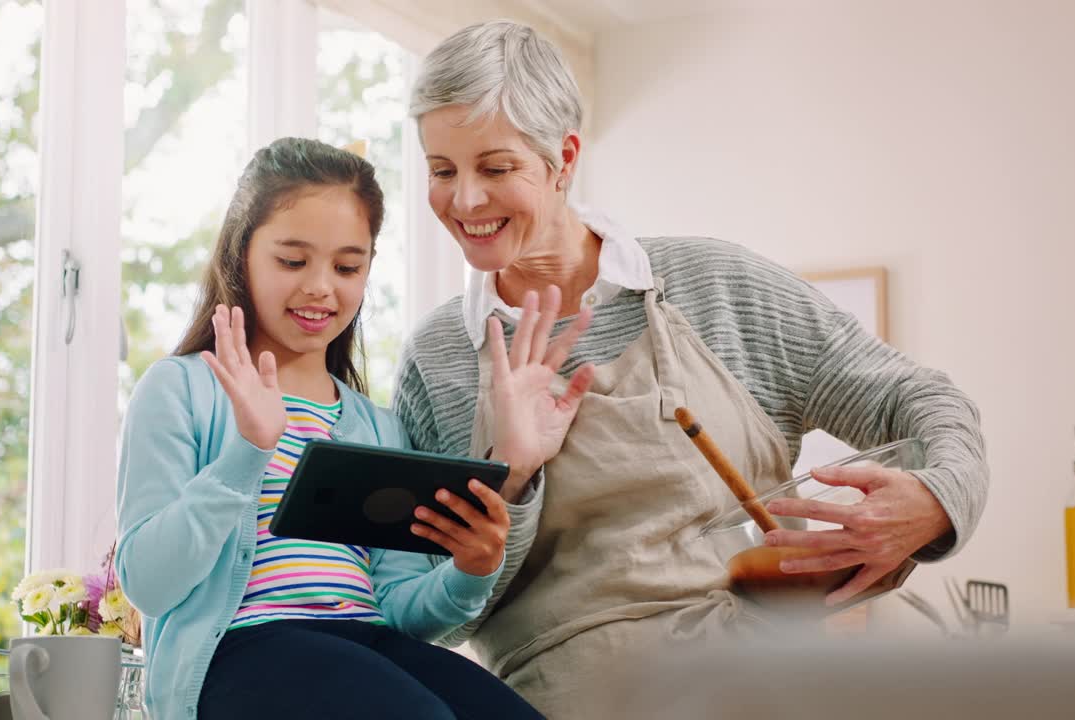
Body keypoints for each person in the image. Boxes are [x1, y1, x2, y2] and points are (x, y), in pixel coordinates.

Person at [392, 20, 990, 718]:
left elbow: (921, 400)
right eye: (442, 171)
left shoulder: (717, 285)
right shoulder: (438, 360)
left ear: (564, 160)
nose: (465, 201)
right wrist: (514, 477)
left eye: (495, 168)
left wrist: (938, 499)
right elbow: (440, 612)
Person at [114, 137, 591, 720]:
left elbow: (398, 610)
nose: (321, 286)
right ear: (240, 255)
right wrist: (247, 453)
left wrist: (470, 572)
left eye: (347, 266)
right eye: (293, 261)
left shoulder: (375, 426)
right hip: (242, 651)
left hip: (364, 645)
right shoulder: (179, 390)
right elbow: (148, 583)